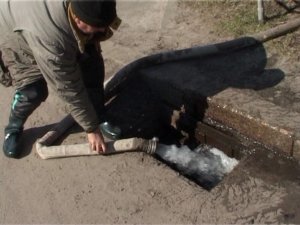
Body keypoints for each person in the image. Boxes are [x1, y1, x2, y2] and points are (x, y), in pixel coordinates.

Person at [0, 0, 122, 158]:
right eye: (98, 27)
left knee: (91, 61)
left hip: (36, 15)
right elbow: (69, 88)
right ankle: (12, 129)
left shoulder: (82, 12)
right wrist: (91, 129)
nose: (104, 30)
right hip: (13, 31)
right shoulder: (52, 40)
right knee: (33, 90)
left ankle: (98, 113)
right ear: (78, 19)